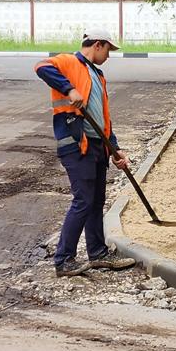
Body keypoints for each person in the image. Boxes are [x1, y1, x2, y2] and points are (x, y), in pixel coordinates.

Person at [35, 32, 140, 278]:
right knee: (83, 200)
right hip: (76, 143)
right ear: (97, 45)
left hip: (96, 145)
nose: (108, 56)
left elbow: (104, 118)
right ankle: (64, 260)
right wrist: (69, 90)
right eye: (107, 50)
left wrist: (114, 149)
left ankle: (97, 253)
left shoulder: (98, 75)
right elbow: (41, 67)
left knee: (95, 202)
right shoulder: (69, 62)